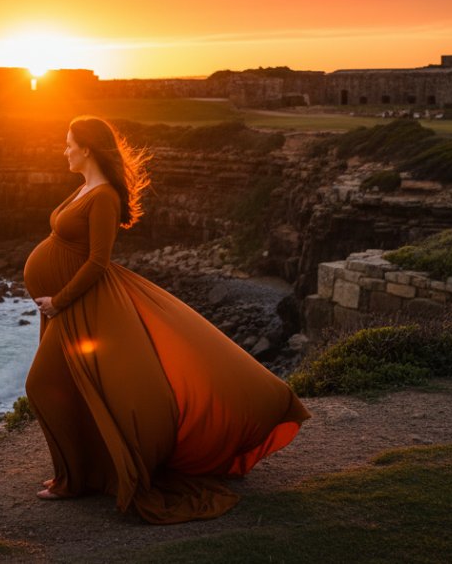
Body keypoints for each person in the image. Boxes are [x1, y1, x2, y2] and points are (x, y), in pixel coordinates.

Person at [22, 116, 311, 525]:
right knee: (68, 384)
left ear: (87, 148)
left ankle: (74, 479)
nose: (63, 150)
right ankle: (81, 474)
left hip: (79, 305)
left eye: (68, 143)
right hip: (64, 305)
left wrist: (60, 300)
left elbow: (99, 262)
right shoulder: (83, 187)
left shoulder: (103, 195)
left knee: (42, 384)